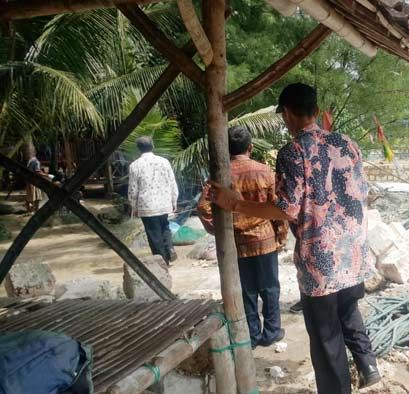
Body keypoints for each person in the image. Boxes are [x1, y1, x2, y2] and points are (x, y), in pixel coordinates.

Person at [208, 83, 381, 393]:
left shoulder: (294, 151)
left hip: (321, 263)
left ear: (287, 113)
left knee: (326, 337)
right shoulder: (347, 143)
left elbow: (285, 209)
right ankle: (369, 367)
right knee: (348, 311)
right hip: (354, 253)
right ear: (315, 109)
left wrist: (234, 203)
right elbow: (361, 193)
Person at [197, 126, 288, 349]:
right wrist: (281, 236)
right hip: (265, 240)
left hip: (236, 243)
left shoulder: (220, 177)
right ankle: (272, 332)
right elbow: (279, 207)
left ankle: (253, 336)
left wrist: (220, 230)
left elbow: (203, 207)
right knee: (270, 288)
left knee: (246, 291)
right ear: (251, 147)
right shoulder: (265, 171)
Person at [128, 136, 179, 264]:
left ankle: (162, 261)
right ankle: (169, 248)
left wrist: (133, 206)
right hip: (164, 202)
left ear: (138, 149)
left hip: (147, 205)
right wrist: (174, 200)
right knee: (165, 227)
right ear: (153, 146)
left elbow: (133, 189)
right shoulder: (164, 162)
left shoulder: (135, 165)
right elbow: (172, 182)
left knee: (153, 234)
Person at [25, 148, 45, 213]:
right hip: (34, 181)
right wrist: (46, 175)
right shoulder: (36, 162)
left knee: (30, 196)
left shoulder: (31, 160)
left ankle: (30, 210)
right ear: (40, 156)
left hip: (29, 180)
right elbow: (37, 171)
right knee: (36, 197)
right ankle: (35, 210)